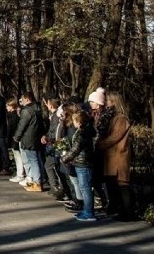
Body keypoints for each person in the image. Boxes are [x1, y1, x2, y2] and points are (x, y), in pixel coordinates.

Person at [99, 91, 135, 221]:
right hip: (112, 156)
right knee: (114, 185)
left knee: (122, 185)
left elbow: (115, 137)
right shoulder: (115, 117)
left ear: (115, 102)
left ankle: (128, 212)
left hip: (119, 156)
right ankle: (119, 209)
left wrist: (100, 144)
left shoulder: (121, 118)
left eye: (109, 100)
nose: (107, 102)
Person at [61, 109, 97, 222]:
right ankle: (87, 210)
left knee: (85, 188)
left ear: (79, 122)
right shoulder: (84, 131)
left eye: (74, 121)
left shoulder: (82, 133)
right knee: (84, 187)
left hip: (83, 163)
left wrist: (65, 158)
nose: (73, 123)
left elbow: (76, 149)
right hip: (81, 162)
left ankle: (89, 212)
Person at [13, 91, 43, 192]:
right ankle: (39, 180)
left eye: (22, 99)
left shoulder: (26, 111)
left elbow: (22, 125)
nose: (21, 101)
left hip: (28, 138)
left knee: (33, 161)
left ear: (27, 99)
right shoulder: (38, 108)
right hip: (37, 137)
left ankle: (37, 183)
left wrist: (16, 137)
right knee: (37, 160)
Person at [6, 98, 26, 183]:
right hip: (14, 138)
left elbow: (12, 129)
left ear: (11, 106)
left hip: (15, 139)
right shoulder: (12, 115)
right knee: (17, 156)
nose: (6, 108)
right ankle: (19, 174)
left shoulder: (14, 116)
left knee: (18, 157)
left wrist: (10, 138)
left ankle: (20, 174)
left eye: (7, 106)